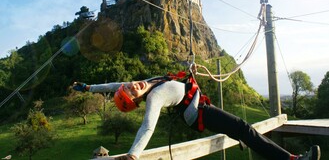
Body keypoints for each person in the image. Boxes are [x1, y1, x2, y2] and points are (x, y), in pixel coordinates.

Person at [73, 72, 321, 160]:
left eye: (128, 87)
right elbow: (147, 127)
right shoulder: (154, 97)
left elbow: (112, 85)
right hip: (199, 113)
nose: (131, 86)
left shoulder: (144, 83)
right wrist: (134, 154)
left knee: (242, 130)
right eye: (130, 92)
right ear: (136, 101)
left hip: (199, 107)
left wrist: (87, 88)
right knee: (244, 129)